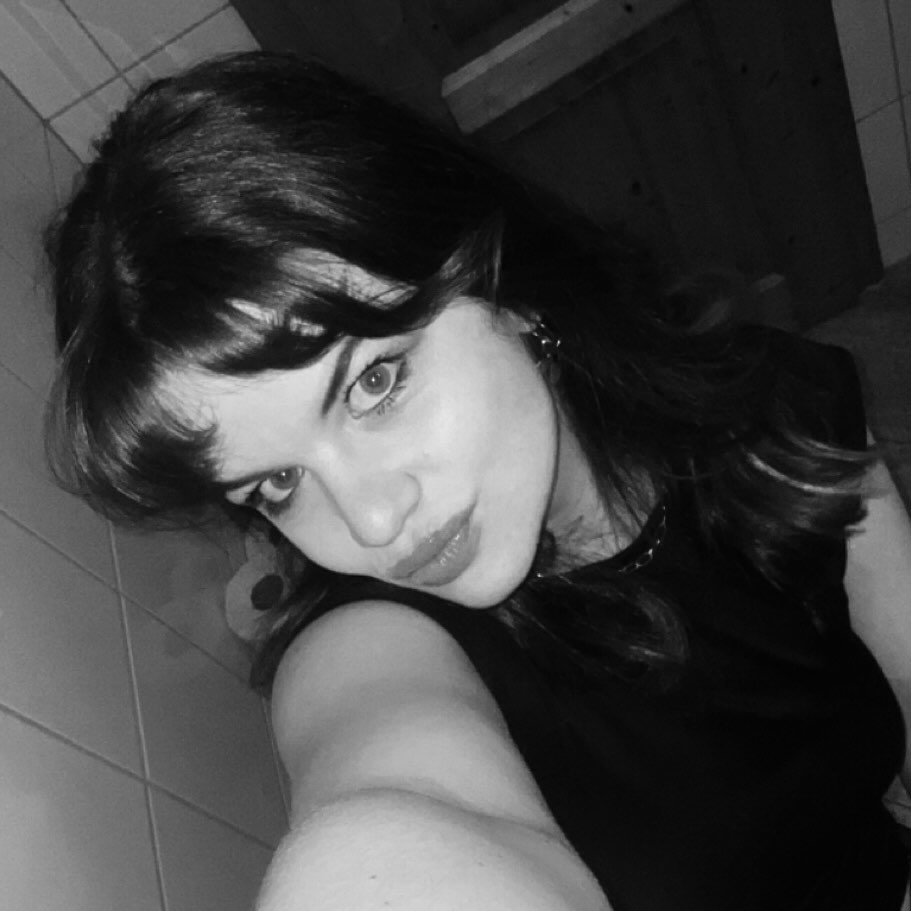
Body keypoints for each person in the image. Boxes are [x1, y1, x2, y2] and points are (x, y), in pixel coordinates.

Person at [44, 52, 911, 910]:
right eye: (275, 482)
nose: (372, 522)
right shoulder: (370, 651)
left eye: (373, 382)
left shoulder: (771, 404)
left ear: (503, 284)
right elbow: (385, 819)